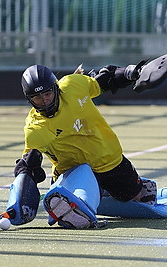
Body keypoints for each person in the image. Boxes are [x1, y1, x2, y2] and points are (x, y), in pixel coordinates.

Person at [10, 62, 158, 228]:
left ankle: (103, 192)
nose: (44, 102)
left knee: (139, 198)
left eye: (47, 94)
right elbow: (29, 165)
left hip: (108, 160)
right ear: (29, 99)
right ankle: (79, 196)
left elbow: (104, 81)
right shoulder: (34, 129)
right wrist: (18, 201)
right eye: (37, 98)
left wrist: (133, 72)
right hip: (73, 171)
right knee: (77, 199)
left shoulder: (74, 85)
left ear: (56, 88)